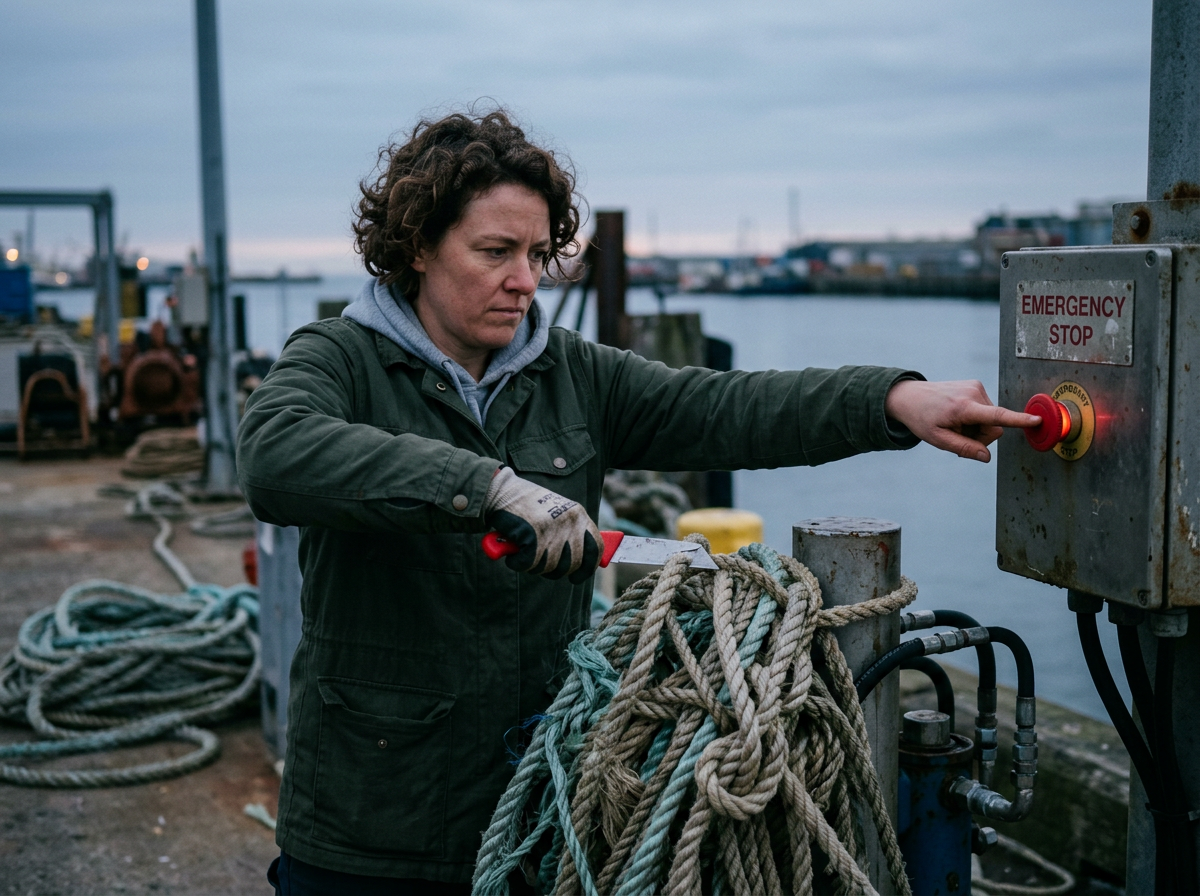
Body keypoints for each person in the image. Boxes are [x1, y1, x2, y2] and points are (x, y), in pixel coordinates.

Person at [237, 109, 1038, 895]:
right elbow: (273, 451)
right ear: (417, 246)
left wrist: (891, 401)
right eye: (494, 252)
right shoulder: (339, 359)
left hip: (541, 812)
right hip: (368, 823)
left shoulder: (574, 374)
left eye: (537, 254)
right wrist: (487, 487)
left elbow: (728, 408)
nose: (525, 281)